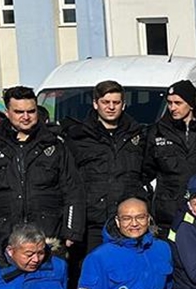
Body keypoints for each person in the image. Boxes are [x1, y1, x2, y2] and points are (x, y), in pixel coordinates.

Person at [0, 85, 85, 247]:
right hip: (4, 238)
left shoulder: (55, 145)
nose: (26, 117)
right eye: (19, 112)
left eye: (31, 111)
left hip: (48, 236)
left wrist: (72, 231)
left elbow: (73, 190)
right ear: (7, 112)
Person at [62, 80, 148, 250]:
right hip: (92, 223)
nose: (111, 107)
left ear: (123, 105)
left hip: (128, 221)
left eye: (116, 102)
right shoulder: (78, 137)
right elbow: (70, 180)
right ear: (95, 104)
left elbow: (146, 171)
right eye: (105, 102)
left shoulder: (137, 135)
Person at [142, 80, 196, 230]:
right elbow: (146, 171)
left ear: (191, 104)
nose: (172, 108)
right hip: (168, 213)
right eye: (170, 103)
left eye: (178, 103)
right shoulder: (157, 131)